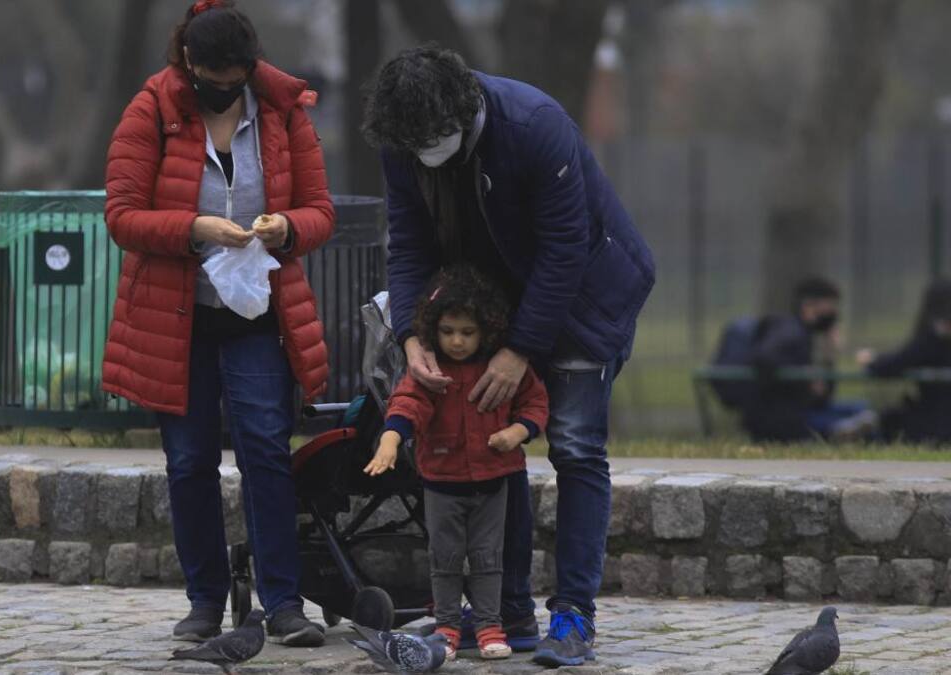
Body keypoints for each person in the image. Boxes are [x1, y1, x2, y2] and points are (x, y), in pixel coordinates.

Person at [361, 46, 655, 667]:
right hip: (489, 306)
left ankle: (574, 615)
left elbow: (565, 247)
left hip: (581, 301)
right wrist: (411, 337)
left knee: (574, 447)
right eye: (413, 146)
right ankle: (510, 614)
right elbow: (410, 242)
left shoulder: (534, 126)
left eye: (434, 141)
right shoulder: (402, 142)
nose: (424, 154)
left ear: (465, 114)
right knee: (495, 447)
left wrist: (521, 350)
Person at [101, 0, 333, 646]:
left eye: (237, 82)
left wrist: (287, 228)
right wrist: (192, 228)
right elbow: (120, 214)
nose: (226, 94)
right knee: (188, 460)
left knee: (265, 449)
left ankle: (283, 600)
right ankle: (205, 597)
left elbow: (321, 209)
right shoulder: (151, 111)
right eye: (214, 82)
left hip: (258, 312)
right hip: (176, 320)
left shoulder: (283, 114)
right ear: (189, 65)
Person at [364, 265, 549, 662]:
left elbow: (534, 402)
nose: (457, 341)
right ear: (434, 330)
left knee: (487, 558)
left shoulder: (502, 368)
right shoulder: (431, 371)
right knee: (444, 558)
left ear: (486, 330)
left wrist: (517, 432)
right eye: (448, 332)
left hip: (492, 480)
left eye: (467, 332)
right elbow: (407, 402)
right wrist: (392, 439)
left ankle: (489, 625)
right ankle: (447, 625)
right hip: (442, 482)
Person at [744, 278, 877, 442]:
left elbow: (822, 397)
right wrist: (803, 376)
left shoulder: (804, 335)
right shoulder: (790, 331)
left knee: (861, 409)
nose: (834, 313)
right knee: (862, 418)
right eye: (830, 306)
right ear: (809, 306)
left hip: (802, 408)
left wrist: (829, 356)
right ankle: (835, 431)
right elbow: (763, 358)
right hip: (784, 416)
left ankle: (840, 430)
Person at [858, 279, 951, 443]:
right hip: (935, 416)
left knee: (890, 421)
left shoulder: (932, 340)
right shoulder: (933, 339)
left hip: (935, 423)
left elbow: (893, 364)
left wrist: (871, 360)